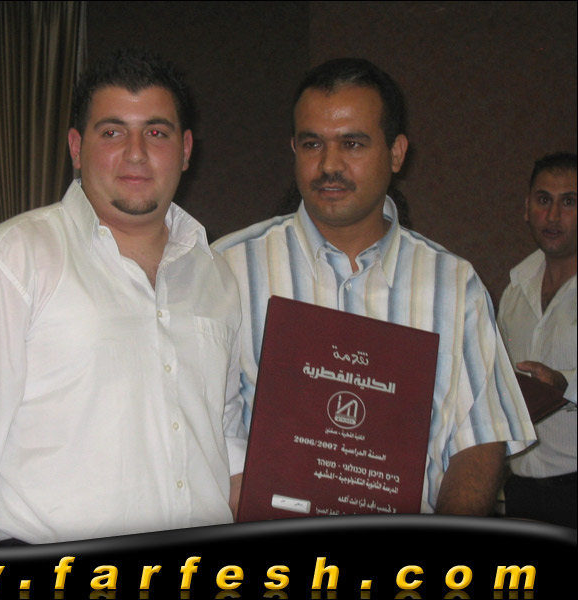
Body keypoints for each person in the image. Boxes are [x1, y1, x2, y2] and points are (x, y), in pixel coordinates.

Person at [0, 48, 246, 545]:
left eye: (156, 132)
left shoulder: (218, 277)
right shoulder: (7, 264)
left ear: (186, 149)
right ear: (77, 148)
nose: (136, 153)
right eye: (112, 133)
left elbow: (226, 446)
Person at [213, 58, 536, 515]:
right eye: (312, 144)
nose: (329, 164)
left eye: (352, 143)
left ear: (397, 153)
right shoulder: (228, 268)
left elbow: (480, 442)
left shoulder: (454, 285)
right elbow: (199, 419)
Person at [498, 152, 576, 528]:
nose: (553, 215)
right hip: (521, 490)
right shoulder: (515, 290)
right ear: (526, 208)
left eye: (569, 201)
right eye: (544, 200)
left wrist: (565, 384)